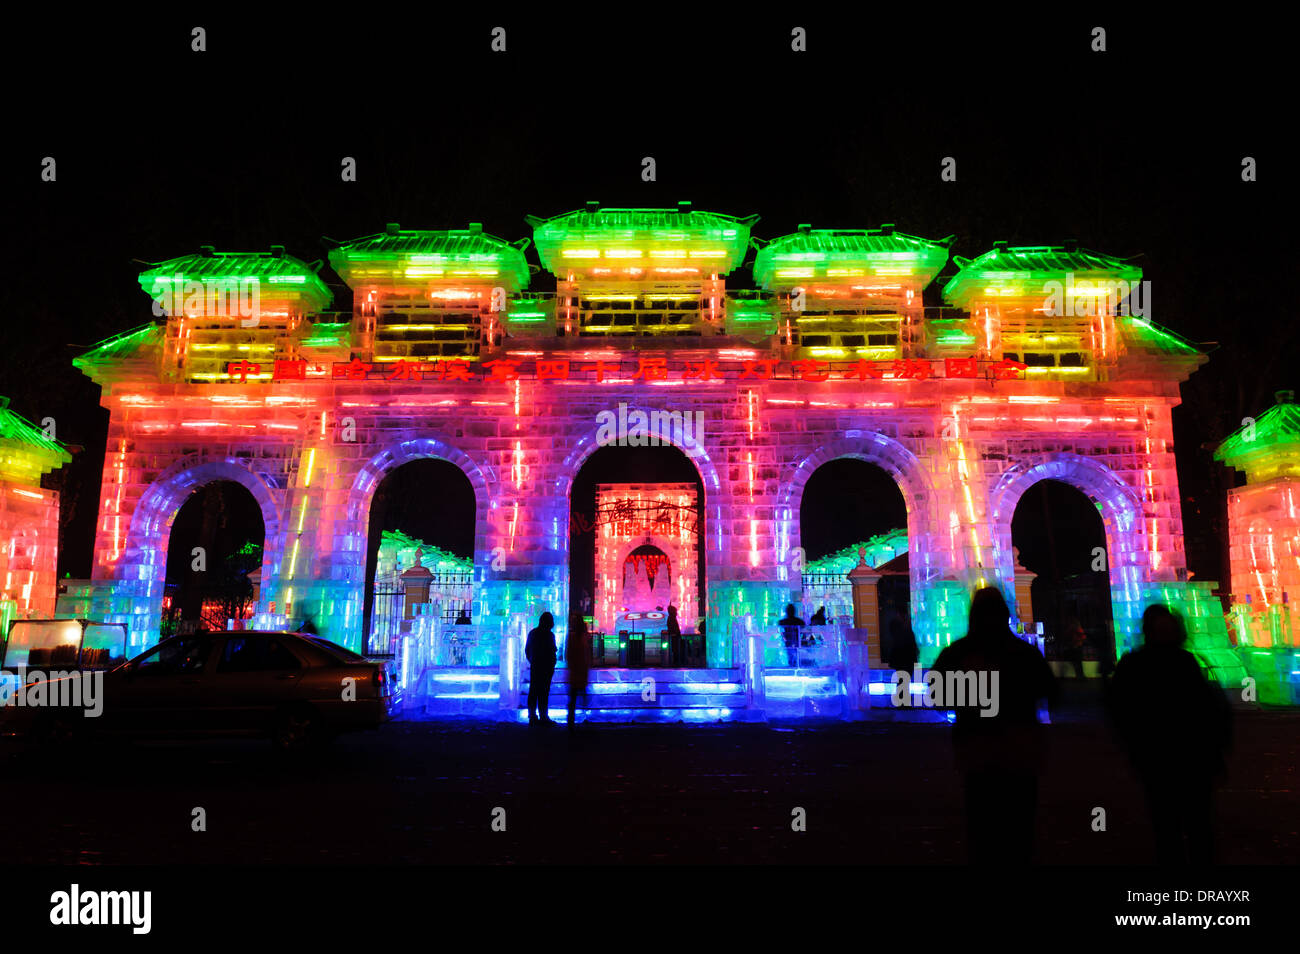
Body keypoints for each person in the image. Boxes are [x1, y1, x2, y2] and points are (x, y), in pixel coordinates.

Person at [931, 586, 1058, 865]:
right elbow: (1049, 690)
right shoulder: (1023, 653)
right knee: (1019, 824)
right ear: (1006, 614)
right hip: (1020, 746)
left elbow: (937, 695)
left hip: (976, 747)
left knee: (982, 823)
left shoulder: (959, 653)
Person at [1109, 604, 1231, 864]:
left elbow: (1119, 710)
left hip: (1162, 758)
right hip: (1186, 757)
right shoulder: (1184, 661)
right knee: (1193, 825)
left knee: (1170, 825)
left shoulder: (1137, 663)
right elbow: (1209, 710)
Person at [525, 612, 557, 726]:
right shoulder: (549, 635)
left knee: (533, 691)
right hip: (546, 668)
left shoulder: (533, 633)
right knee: (544, 692)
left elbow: (527, 650)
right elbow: (553, 650)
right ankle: (543, 716)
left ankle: (532, 716)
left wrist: (532, 661)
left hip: (536, 666)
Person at [566, 613, 591, 727]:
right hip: (580, 670)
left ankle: (572, 720)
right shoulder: (583, 637)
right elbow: (585, 653)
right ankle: (586, 718)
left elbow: (569, 654)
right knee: (581, 696)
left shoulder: (572, 637)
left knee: (573, 697)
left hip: (575, 671)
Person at [887, 600, 918, 674]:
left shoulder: (901, 628)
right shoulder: (903, 629)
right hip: (905, 661)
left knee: (903, 681)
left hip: (903, 661)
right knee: (903, 681)